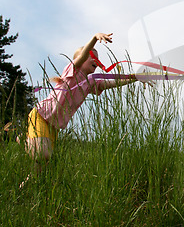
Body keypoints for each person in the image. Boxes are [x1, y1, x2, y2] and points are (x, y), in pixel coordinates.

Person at [22, 33, 137, 185]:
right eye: (92, 56)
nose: (96, 60)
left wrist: (134, 78)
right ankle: (22, 141)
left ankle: (26, 186)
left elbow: (111, 83)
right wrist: (95, 38)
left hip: (54, 125)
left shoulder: (90, 82)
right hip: (42, 116)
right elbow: (82, 56)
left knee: (42, 167)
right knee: (43, 155)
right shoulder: (72, 71)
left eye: (97, 58)